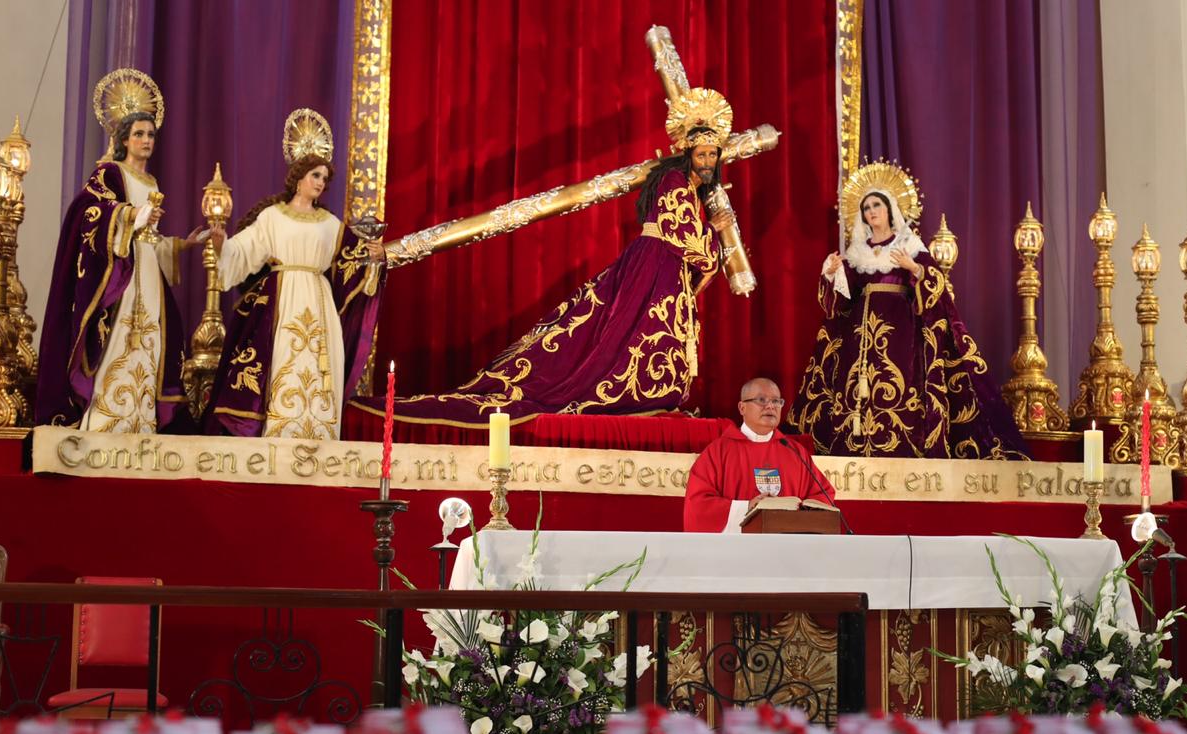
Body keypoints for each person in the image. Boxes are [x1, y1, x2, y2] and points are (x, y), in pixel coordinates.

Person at [363, 88, 735, 427]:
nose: (706, 160)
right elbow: (684, 234)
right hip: (653, 267)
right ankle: (626, 394)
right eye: (700, 153)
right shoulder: (674, 182)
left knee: (629, 334)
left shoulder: (691, 189)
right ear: (687, 155)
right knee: (624, 336)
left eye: (712, 154)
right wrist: (718, 235)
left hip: (660, 271)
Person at [786, 165, 1028, 459]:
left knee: (899, 386)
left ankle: (902, 446)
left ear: (890, 209)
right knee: (855, 389)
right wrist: (831, 274)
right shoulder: (856, 252)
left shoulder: (909, 245)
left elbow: (936, 289)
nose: (871, 211)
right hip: (858, 337)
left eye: (876, 205)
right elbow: (841, 303)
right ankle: (856, 446)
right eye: (866, 208)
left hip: (899, 333)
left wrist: (914, 268)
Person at [200, 109, 386, 439]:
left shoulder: (330, 224)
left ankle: (316, 430)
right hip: (283, 298)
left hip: (318, 300)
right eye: (315, 175)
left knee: (317, 364)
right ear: (299, 177)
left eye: (324, 179)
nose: (320, 183)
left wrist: (373, 258)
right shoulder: (273, 217)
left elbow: (350, 259)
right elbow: (244, 250)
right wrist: (221, 243)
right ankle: (280, 426)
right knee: (284, 358)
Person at [36, 70, 201, 431]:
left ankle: (141, 419)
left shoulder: (152, 182)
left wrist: (182, 244)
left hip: (146, 273)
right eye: (138, 134)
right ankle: (108, 417)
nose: (145, 140)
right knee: (119, 337)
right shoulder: (109, 173)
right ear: (124, 139)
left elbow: (151, 240)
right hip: (120, 274)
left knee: (150, 340)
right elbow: (88, 212)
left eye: (150, 134)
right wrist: (132, 215)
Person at [684, 377, 837, 533]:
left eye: (777, 401)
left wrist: (797, 513)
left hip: (788, 550)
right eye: (762, 400)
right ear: (742, 407)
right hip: (737, 551)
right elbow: (698, 506)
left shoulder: (795, 452)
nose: (770, 406)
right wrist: (747, 507)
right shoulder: (718, 452)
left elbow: (823, 496)